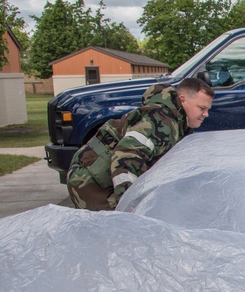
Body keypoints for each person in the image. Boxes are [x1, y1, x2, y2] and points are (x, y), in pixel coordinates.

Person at [67, 78, 214, 210]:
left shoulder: (178, 123)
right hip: (90, 181)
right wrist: (131, 205)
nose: (206, 114)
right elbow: (126, 156)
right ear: (183, 100)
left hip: (101, 175)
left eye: (207, 110)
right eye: (202, 108)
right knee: (116, 230)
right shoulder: (160, 121)